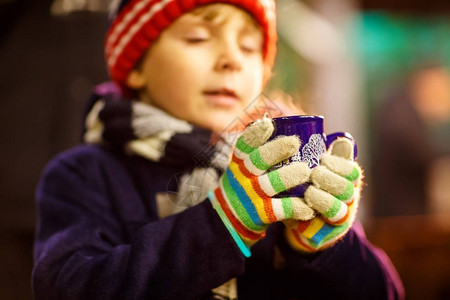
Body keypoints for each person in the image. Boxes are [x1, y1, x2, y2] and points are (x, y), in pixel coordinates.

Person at [32, 1, 404, 299]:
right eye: (197, 37)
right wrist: (222, 224)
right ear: (136, 66)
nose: (231, 59)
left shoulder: (281, 167)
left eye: (249, 46)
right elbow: (67, 286)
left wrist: (324, 248)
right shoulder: (85, 172)